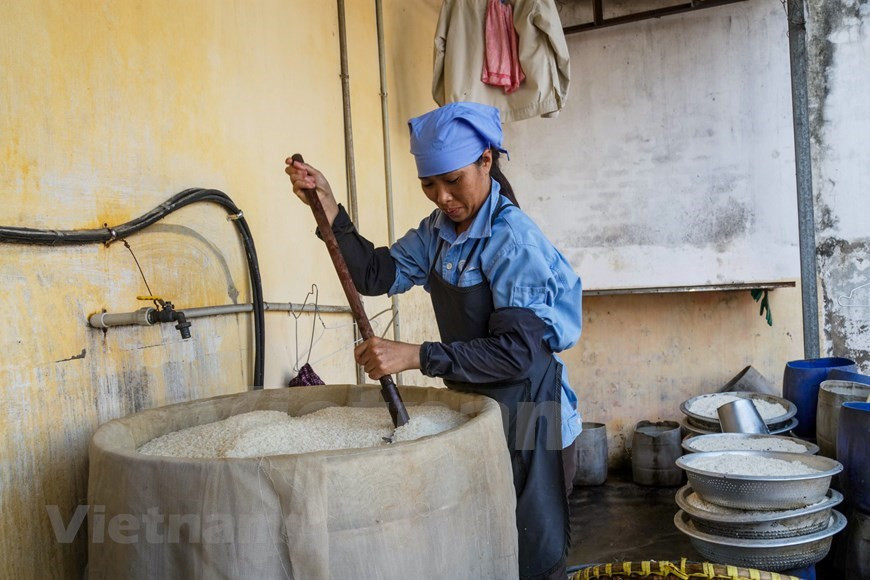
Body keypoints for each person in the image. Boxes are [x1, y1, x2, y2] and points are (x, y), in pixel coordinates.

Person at [285, 101, 582, 580]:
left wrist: (415, 355)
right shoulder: (437, 236)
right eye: (429, 184)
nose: (441, 197)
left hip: (534, 414)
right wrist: (329, 206)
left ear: (486, 160)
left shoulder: (513, 241)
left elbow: (518, 354)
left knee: (531, 548)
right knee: (486, 542)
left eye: (453, 180)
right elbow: (374, 273)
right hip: (482, 410)